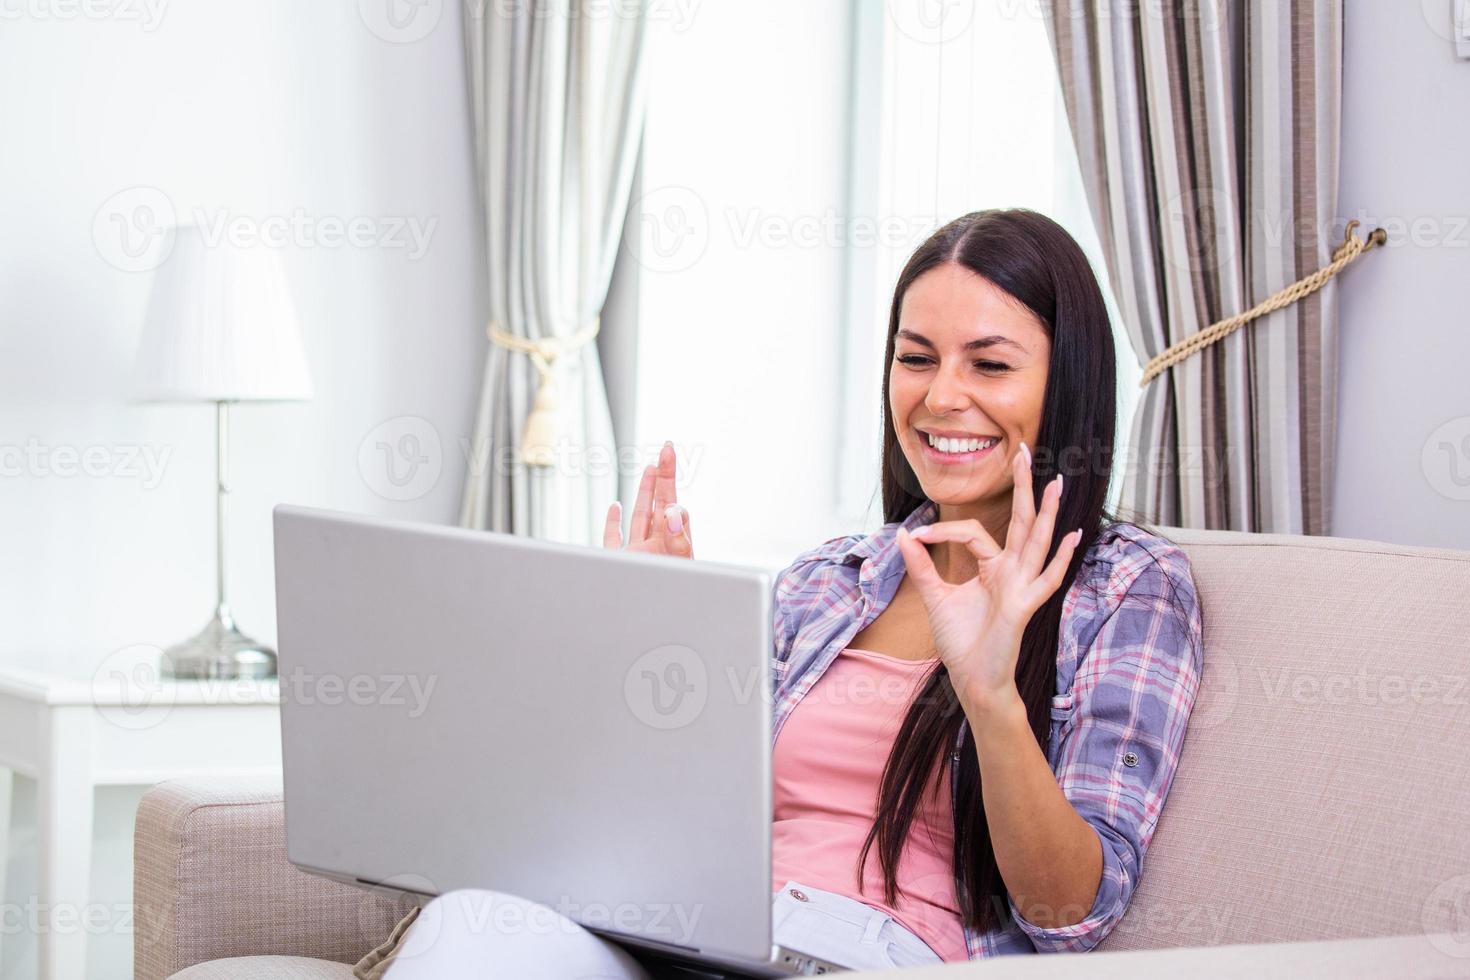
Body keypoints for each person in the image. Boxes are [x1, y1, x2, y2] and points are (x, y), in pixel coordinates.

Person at [384, 209, 1204, 977]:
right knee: (471, 922)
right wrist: (649, 635)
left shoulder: (1128, 589)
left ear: (1068, 382)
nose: (942, 396)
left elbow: (1071, 912)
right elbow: (680, 822)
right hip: (718, 931)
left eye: (989, 364)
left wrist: (990, 698)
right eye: (916, 357)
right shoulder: (830, 579)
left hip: (874, 950)